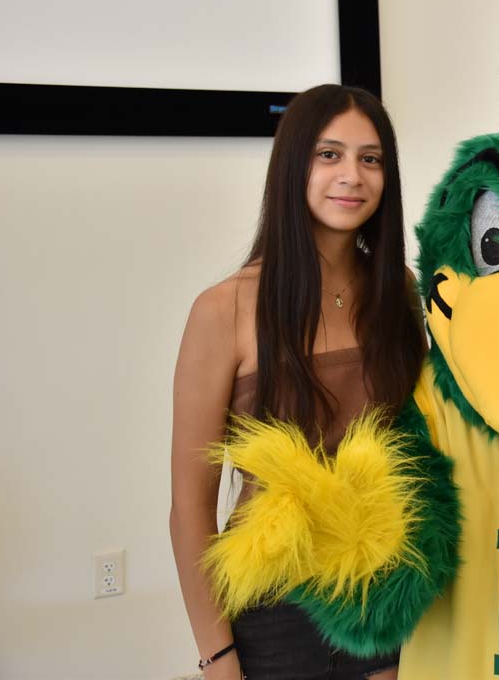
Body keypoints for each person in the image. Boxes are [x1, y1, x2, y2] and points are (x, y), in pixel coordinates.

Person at [169, 84, 425, 680]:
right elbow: (189, 508)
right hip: (275, 614)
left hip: (388, 595)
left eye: (371, 159)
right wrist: (217, 658)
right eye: (328, 154)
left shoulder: (401, 292)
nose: (352, 176)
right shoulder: (223, 309)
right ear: (292, 166)